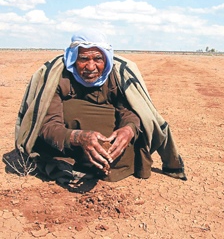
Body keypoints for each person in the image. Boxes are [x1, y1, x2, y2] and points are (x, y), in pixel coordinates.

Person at [15, 30, 187, 184]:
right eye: (83, 59)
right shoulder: (57, 77)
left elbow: (129, 111)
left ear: (106, 58)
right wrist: (78, 137)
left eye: (98, 58)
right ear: (73, 58)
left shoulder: (117, 74)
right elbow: (47, 124)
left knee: (124, 146)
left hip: (111, 144)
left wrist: (129, 129)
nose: (91, 67)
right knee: (70, 112)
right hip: (68, 144)